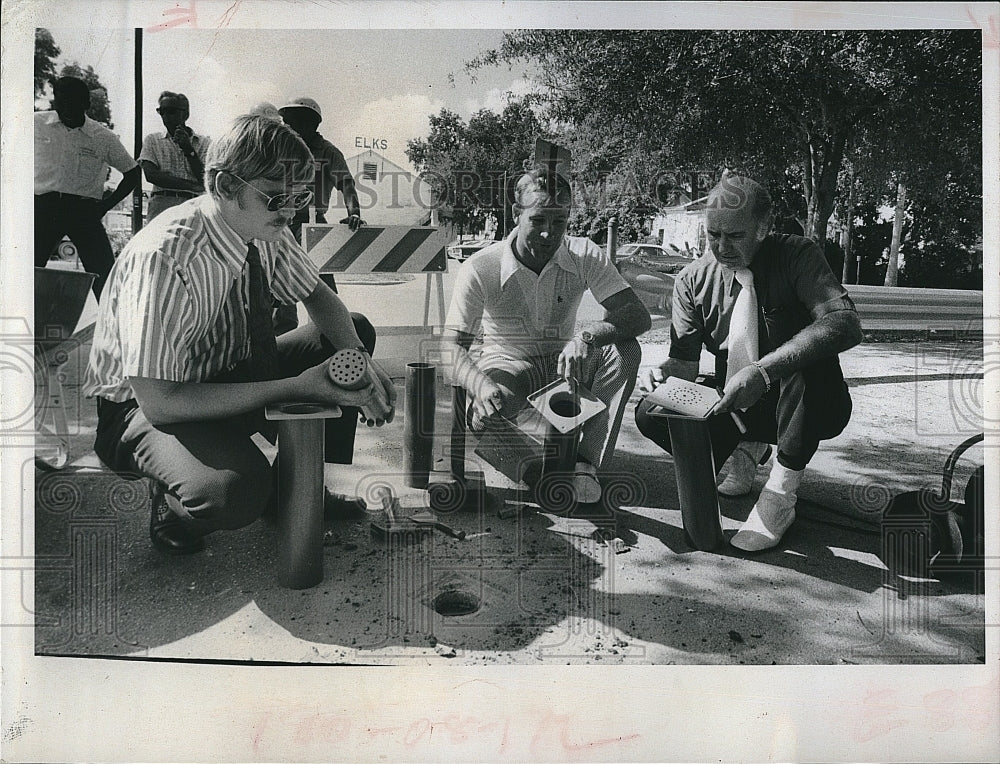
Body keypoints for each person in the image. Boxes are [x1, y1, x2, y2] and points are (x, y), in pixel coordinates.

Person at [84, 114, 396, 556]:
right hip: (142, 407)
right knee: (233, 492)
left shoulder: (264, 226)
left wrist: (358, 358)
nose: (289, 211)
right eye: (276, 197)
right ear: (226, 185)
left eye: (300, 195)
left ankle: (298, 487)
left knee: (352, 330)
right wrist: (296, 386)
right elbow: (161, 401)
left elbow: (319, 296)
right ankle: (176, 508)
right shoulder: (165, 257)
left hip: (222, 375)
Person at [635, 175, 862, 551]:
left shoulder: (798, 254)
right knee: (650, 413)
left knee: (805, 353)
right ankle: (746, 447)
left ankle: (780, 493)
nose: (722, 247)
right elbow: (684, 365)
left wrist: (763, 370)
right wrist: (663, 376)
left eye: (735, 236)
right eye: (713, 235)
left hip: (809, 403)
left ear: (764, 227)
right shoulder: (691, 281)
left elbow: (846, 324)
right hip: (735, 404)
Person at [444, 167, 651, 504]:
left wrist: (588, 337)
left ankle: (586, 461)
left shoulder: (584, 253)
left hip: (564, 365)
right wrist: (480, 384)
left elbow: (637, 315)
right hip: (509, 363)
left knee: (626, 350)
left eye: (559, 223)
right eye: (538, 220)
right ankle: (538, 474)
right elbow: (450, 350)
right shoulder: (481, 266)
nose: (547, 234)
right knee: (483, 413)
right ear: (516, 214)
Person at [34, 75, 141, 298]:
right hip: (42, 208)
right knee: (25, 271)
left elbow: (132, 173)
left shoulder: (103, 137)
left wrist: (105, 206)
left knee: (105, 276)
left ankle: (114, 328)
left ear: (86, 104)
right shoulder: (34, 124)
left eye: (73, 103)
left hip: (83, 211)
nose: (66, 109)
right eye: (61, 102)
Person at [275, 96, 366, 334]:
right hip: (281, 222)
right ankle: (283, 339)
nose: (286, 127)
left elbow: (346, 184)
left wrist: (354, 212)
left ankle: (332, 337)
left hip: (312, 222)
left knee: (324, 289)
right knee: (280, 284)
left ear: (311, 124)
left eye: (292, 122)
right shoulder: (283, 150)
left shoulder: (327, 152)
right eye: (285, 122)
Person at [139, 91, 211, 221]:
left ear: (186, 114)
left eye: (171, 111)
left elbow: (206, 179)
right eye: (162, 111)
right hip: (162, 205)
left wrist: (189, 150)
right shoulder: (153, 140)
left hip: (193, 207)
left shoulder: (205, 143)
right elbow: (151, 175)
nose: (165, 116)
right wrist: (191, 185)